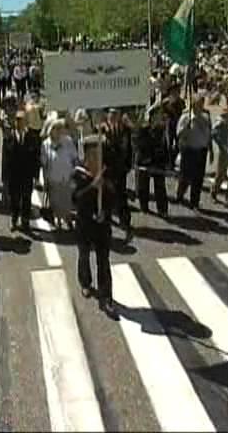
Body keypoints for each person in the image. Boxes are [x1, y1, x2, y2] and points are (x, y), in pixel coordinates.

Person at [72, 135, 118, 320]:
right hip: (84, 224)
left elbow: (114, 198)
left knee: (104, 261)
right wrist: (92, 185)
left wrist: (106, 211)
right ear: (86, 156)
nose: (96, 159)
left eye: (98, 155)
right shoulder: (78, 174)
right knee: (84, 255)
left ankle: (106, 296)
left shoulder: (106, 173)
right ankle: (85, 282)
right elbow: (75, 198)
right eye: (92, 155)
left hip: (102, 225)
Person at [175, 94, 214, 210]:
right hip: (189, 150)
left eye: (202, 104)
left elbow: (209, 134)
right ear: (193, 104)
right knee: (185, 176)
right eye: (198, 104)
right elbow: (179, 134)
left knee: (198, 178)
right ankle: (180, 194)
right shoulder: (186, 117)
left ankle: (194, 202)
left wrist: (210, 149)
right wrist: (186, 127)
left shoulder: (206, 117)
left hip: (201, 150)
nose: (200, 106)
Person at [101, 108, 133, 242]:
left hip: (120, 169)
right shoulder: (102, 130)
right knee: (106, 199)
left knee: (121, 197)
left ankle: (125, 222)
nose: (114, 117)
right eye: (112, 114)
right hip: (107, 170)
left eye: (117, 114)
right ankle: (105, 227)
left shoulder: (125, 130)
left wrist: (128, 165)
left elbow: (129, 148)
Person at [41, 119, 79, 230]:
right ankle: (57, 221)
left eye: (60, 128)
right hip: (53, 177)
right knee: (55, 201)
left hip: (67, 176)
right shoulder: (46, 144)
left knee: (67, 201)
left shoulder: (68, 141)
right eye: (56, 129)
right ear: (50, 130)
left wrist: (76, 173)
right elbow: (44, 164)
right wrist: (45, 180)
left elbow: (74, 157)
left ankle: (68, 219)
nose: (58, 131)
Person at [4, 110, 38, 231]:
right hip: (14, 175)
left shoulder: (31, 137)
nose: (19, 122)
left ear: (26, 121)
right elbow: (6, 158)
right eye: (17, 120)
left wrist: (36, 176)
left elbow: (35, 158)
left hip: (27, 175)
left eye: (21, 120)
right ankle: (14, 220)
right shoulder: (9, 137)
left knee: (26, 199)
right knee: (14, 199)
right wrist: (5, 177)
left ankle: (25, 221)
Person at [134, 106, 171, 217]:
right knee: (143, 186)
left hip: (158, 161)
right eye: (159, 115)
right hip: (144, 160)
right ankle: (144, 206)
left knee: (160, 186)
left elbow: (166, 146)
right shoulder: (144, 129)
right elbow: (139, 145)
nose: (161, 117)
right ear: (152, 117)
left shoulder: (163, 130)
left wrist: (167, 160)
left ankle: (162, 209)